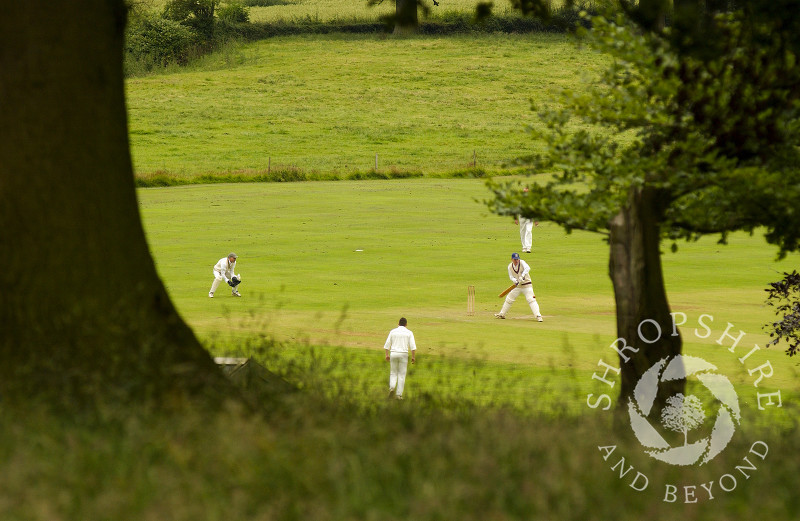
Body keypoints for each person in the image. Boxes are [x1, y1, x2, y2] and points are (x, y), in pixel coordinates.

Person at [495, 252, 543, 321]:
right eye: (515, 259)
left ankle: (538, 316)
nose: (516, 261)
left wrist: (522, 276)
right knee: (509, 298)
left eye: (517, 259)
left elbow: (527, 268)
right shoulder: (510, 266)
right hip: (518, 286)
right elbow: (511, 277)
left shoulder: (522, 262)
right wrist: (515, 280)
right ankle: (502, 314)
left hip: (527, 285)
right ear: (511, 259)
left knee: (531, 300)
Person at [383, 317, 417, 400]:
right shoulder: (409, 332)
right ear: (406, 324)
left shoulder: (393, 331)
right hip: (403, 354)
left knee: (393, 372)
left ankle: (392, 388)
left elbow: (387, 344)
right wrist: (413, 357)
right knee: (401, 374)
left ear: (398, 324)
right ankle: (398, 395)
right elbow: (412, 346)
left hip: (394, 353)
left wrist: (387, 355)